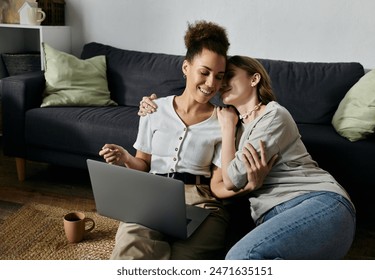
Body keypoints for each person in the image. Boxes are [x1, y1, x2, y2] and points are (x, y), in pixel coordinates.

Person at [140, 55, 356, 259]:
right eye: (221, 77)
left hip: (317, 202)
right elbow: (224, 182)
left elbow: (233, 177)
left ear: (254, 79)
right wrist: (153, 104)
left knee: (240, 258)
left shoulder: (273, 115)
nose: (221, 82)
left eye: (229, 75)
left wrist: (226, 130)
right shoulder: (236, 125)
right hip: (273, 217)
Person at [99, 21, 270, 260]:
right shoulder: (153, 109)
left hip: (202, 203)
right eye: (204, 72)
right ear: (186, 67)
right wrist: (125, 158)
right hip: (153, 197)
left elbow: (219, 184)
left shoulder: (223, 121)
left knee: (184, 262)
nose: (211, 83)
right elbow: (143, 165)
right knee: (131, 249)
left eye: (219, 76)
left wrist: (249, 185)